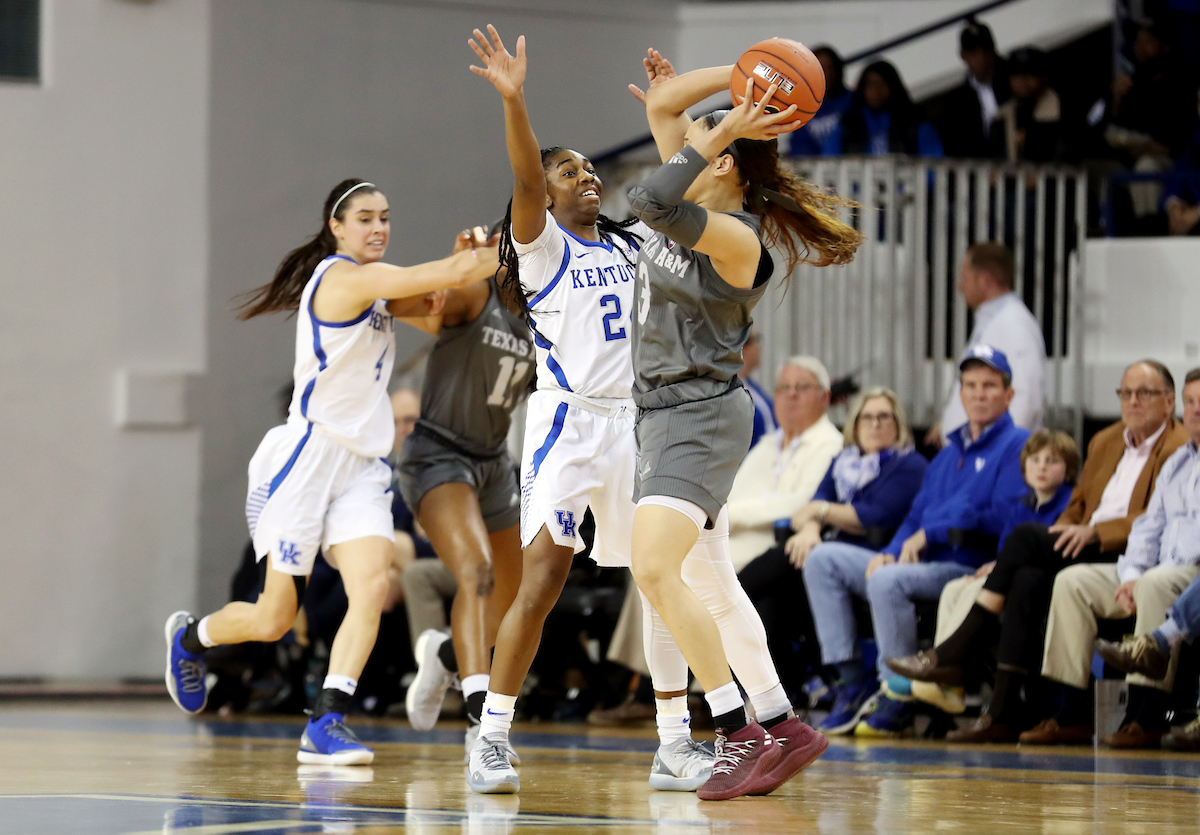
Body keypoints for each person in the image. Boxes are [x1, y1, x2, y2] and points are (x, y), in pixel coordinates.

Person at [162, 178, 498, 765]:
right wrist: (519, 245)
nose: (378, 228)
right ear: (336, 228)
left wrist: (462, 266)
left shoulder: (380, 287)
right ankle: (191, 639)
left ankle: (326, 720)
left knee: (370, 585)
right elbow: (429, 280)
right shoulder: (342, 278)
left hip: (361, 466)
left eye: (386, 218)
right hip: (307, 459)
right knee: (274, 619)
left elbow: (440, 312)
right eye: (365, 218)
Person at [620, 58, 863, 799]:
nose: (686, 142)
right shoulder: (696, 191)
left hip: (696, 414)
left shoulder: (735, 237)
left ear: (722, 158)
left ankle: (734, 731)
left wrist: (725, 118)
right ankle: (783, 723)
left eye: (705, 137)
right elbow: (663, 103)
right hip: (665, 412)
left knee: (654, 567)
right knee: (710, 582)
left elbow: (645, 196)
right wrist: (744, 70)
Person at [893, 360, 1187, 742]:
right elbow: (1078, 506)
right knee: (1027, 575)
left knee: (1025, 538)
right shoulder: (1106, 440)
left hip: (1122, 550)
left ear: (1169, 401)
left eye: (1144, 393)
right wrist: (1065, 530)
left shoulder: (1179, 447)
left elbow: (1155, 520)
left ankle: (952, 653)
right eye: (1125, 393)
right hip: (1082, 542)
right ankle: (1013, 713)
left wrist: (1094, 533)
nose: (1132, 401)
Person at [804, 345, 1029, 738]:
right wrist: (891, 551)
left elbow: (1007, 516)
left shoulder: (1019, 445)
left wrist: (934, 532)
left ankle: (897, 692)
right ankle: (851, 680)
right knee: (823, 559)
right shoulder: (948, 453)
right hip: (924, 563)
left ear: (1009, 395)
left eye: (990, 386)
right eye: (971, 385)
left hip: (970, 565)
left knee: (888, 581)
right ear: (960, 393)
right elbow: (914, 516)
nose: (979, 394)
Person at [393, 225, 533, 759]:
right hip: (439, 453)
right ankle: (482, 724)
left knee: (516, 596)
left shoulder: (543, 317)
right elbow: (401, 302)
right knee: (475, 573)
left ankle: (445, 658)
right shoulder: (477, 295)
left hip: (494, 461)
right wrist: (453, 267)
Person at [1036, 369, 1200, 748]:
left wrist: (1146, 578)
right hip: (1154, 566)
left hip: (1188, 571)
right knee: (1072, 581)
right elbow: (1146, 527)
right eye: (1191, 402)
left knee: (1157, 584)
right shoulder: (1177, 463)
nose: (1195, 411)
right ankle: (1068, 710)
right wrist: (1131, 574)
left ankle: (1145, 714)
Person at [738, 387, 927, 696]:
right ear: (854, 425)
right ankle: (783, 698)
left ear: (898, 424)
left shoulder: (910, 465)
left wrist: (820, 512)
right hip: (825, 561)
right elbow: (814, 503)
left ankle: (730, 600)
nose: (875, 424)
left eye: (884, 417)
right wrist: (812, 526)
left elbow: (874, 515)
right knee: (771, 599)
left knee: (783, 563)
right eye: (866, 417)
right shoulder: (843, 461)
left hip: (875, 560)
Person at [887, 429, 1078, 733]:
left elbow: (1042, 553)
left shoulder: (1071, 504)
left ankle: (944, 665)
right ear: (1024, 468)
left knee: (979, 586)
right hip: (1005, 577)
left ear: (1068, 470)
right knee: (955, 587)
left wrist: (998, 566)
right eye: (1035, 460)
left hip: (1038, 584)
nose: (1042, 466)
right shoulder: (1018, 505)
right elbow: (991, 534)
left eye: (1052, 461)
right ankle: (948, 678)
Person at [726, 356, 844, 571]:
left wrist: (730, 516)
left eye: (802, 387)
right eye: (784, 387)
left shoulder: (832, 445)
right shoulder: (767, 444)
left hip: (776, 549)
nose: (791, 394)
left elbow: (803, 503)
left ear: (824, 397)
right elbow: (730, 496)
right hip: (729, 541)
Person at [926, 242, 1045, 446]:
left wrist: (999, 453)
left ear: (985, 279)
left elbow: (1026, 398)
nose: (960, 286)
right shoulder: (996, 320)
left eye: (965, 277)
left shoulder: (1014, 324)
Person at [823, 60, 943, 157]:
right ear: (862, 89)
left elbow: (933, 167)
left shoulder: (915, 124)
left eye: (881, 84)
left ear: (893, 87)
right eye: (870, 84)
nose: (876, 91)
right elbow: (829, 162)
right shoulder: (846, 126)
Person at [937, 21, 1009, 160]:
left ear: (993, 52)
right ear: (963, 56)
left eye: (984, 51)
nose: (980, 58)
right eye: (973, 53)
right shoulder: (956, 100)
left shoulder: (1012, 83)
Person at [991, 47, 1066, 164]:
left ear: (1043, 77)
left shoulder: (1063, 110)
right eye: (1016, 75)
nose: (1022, 81)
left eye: (1029, 74)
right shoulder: (1001, 116)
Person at [786, 46, 854, 157]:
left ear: (838, 71)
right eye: (818, 68)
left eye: (829, 68)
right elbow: (799, 149)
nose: (824, 73)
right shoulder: (801, 107)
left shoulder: (853, 101)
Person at [740, 329, 777, 449]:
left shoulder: (753, 387)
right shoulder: (732, 392)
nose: (759, 347)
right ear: (743, 347)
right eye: (757, 340)